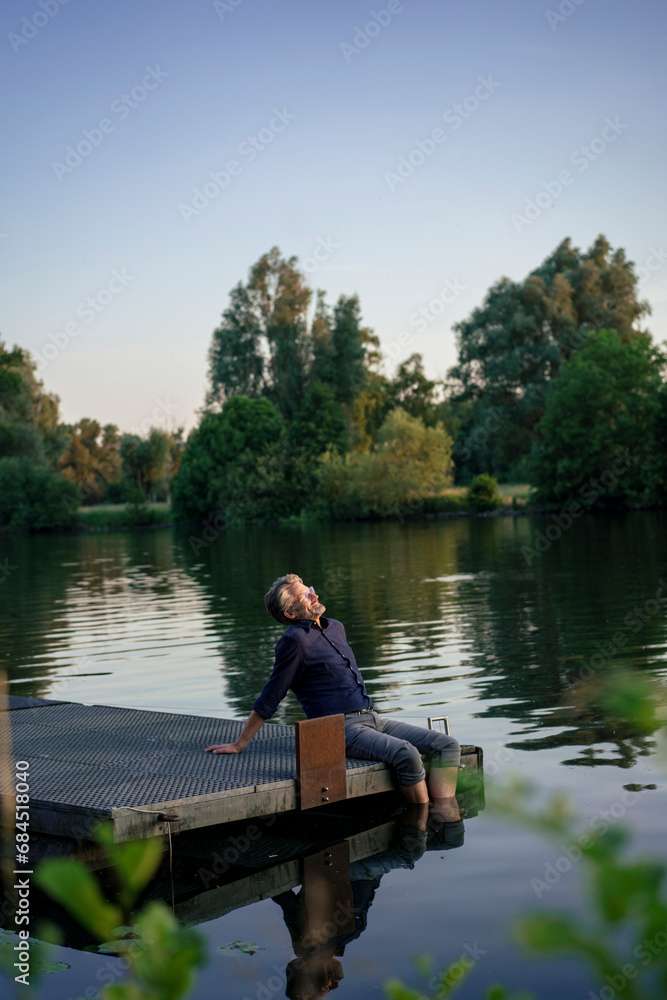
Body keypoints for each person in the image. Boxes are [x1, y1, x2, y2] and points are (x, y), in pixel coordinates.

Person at [205, 573, 460, 805]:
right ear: (291, 614)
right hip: (339, 729)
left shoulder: (335, 627)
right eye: (304, 596)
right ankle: (423, 821)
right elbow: (272, 694)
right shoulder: (294, 641)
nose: (314, 595)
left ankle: (444, 812)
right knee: (408, 755)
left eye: (310, 589)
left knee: (447, 745)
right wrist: (240, 744)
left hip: (372, 718)